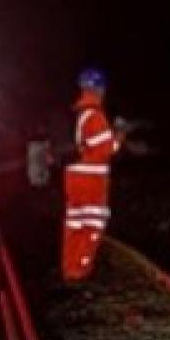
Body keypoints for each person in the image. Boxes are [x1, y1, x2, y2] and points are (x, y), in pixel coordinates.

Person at [62, 67, 122, 283]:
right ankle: (80, 270)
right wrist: (119, 137)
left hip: (78, 177)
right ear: (99, 89)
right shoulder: (95, 116)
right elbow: (106, 149)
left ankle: (70, 268)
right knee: (93, 224)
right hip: (92, 180)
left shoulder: (82, 114)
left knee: (76, 224)